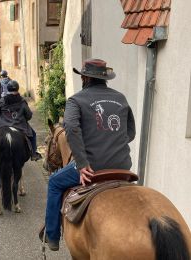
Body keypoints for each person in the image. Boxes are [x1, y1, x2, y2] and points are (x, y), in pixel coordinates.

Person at [41, 59, 136, 251]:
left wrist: (83, 163)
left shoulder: (76, 100)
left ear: (84, 77)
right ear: (105, 78)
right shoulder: (121, 98)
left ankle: (51, 236)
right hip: (122, 167)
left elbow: (71, 128)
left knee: (55, 182)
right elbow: (130, 132)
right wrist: (110, 142)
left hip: (91, 168)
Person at [0, 80, 42, 161]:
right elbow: (29, 115)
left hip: (3, 126)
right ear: (17, 89)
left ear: (8, 89)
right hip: (20, 126)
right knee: (33, 135)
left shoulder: (1, 100)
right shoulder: (22, 101)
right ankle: (33, 154)